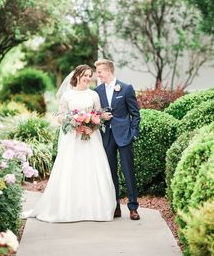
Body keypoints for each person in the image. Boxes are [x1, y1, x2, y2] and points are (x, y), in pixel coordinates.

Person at [23, 64, 116, 222]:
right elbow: (59, 117)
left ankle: (93, 209)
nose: (88, 78)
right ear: (78, 75)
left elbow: (98, 116)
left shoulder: (93, 95)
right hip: (72, 139)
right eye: (85, 75)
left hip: (90, 139)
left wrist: (91, 128)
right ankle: (68, 209)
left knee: (91, 170)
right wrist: (74, 122)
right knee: (72, 169)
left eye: (89, 75)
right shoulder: (67, 95)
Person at [95, 59, 141, 221]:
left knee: (128, 172)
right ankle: (115, 206)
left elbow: (135, 114)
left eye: (99, 71)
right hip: (107, 136)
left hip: (124, 136)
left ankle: (133, 207)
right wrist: (101, 116)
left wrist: (133, 133)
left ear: (108, 70)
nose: (97, 74)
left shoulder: (126, 88)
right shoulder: (97, 91)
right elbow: (95, 113)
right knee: (111, 173)